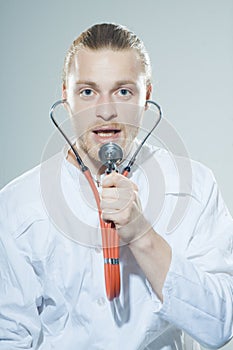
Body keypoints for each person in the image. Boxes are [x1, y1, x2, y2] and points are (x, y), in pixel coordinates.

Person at [0, 23, 232, 350]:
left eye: (123, 91)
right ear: (65, 97)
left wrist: (142, 233)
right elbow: (8, 338)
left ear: (146, 97)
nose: (106, 111)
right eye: (87, 92)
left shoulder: (194, 185)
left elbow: (219, 324)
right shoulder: (17, 204)